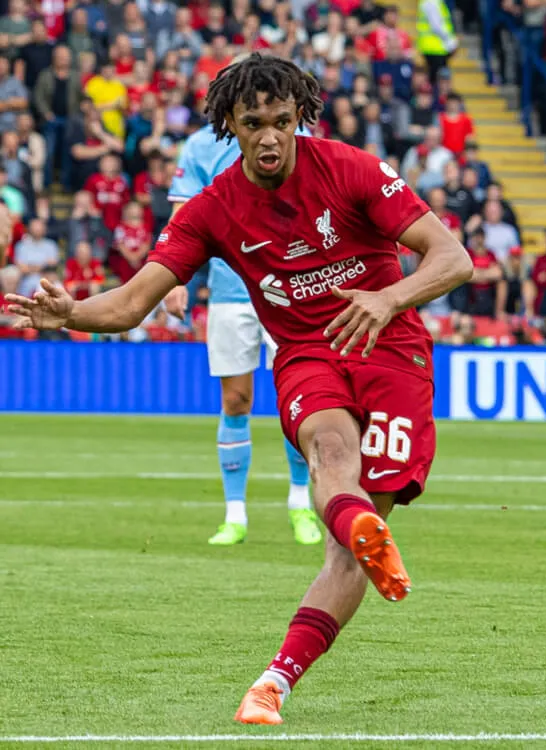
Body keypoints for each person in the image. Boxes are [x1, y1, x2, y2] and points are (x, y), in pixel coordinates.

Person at [5, 53, 473, 725]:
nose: (270, 136)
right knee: (333, 457)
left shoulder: (352, 168)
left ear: (300, 118)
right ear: (229, 123)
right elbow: (134, 302)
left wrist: (387, 297)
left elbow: (453, 257)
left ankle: (298, 640)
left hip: (392, 350)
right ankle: (276, 677)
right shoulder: (213, 208)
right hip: (309, 354)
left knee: (346, 548)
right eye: (254, 123)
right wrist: (70, 313)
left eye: (282, 120)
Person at [163, 110, 325, 548]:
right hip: (229, 290)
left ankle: (301, 504)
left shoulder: (298, 137)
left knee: (299, 399)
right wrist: (175, 277)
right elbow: (183, 214)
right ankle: (235, 514)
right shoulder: (200, 145)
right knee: (236, 399)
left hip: (292, 290)